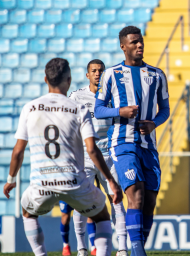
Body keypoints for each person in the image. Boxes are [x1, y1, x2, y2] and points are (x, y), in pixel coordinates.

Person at [3, 58, 122, 256]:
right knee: (102, 216)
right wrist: (110, 180)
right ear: (69, 79)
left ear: (45, 79)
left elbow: (17, 151)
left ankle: (41, 254)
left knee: (28, 213)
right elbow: (92, 150)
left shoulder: (30, 108)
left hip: (42, 183)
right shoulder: (79, 109)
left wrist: (11, 180)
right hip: (73, 182)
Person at [95, 26, 170, 256]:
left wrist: (154, 123)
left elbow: (165, 110)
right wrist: (121, 111)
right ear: (123, 46)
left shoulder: (156, 74)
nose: (140, 45)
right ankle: (137, 252)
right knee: (135, 193)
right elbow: (98, 110)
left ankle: (139, 248)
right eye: (134, 42)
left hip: (148, 145)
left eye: (141, 41)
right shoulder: (112, 74)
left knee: (149, 200)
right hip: (122, 143)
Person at [69, 59, 128, 256]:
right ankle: (81, 248)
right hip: (84, 156)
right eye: (94, 71)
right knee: (80, 202)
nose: (98, 74)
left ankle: (122, 248)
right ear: (87, 75)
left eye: (101, 70)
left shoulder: (113, 97)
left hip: (107, 155)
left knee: (116, 199)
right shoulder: (77, 97)